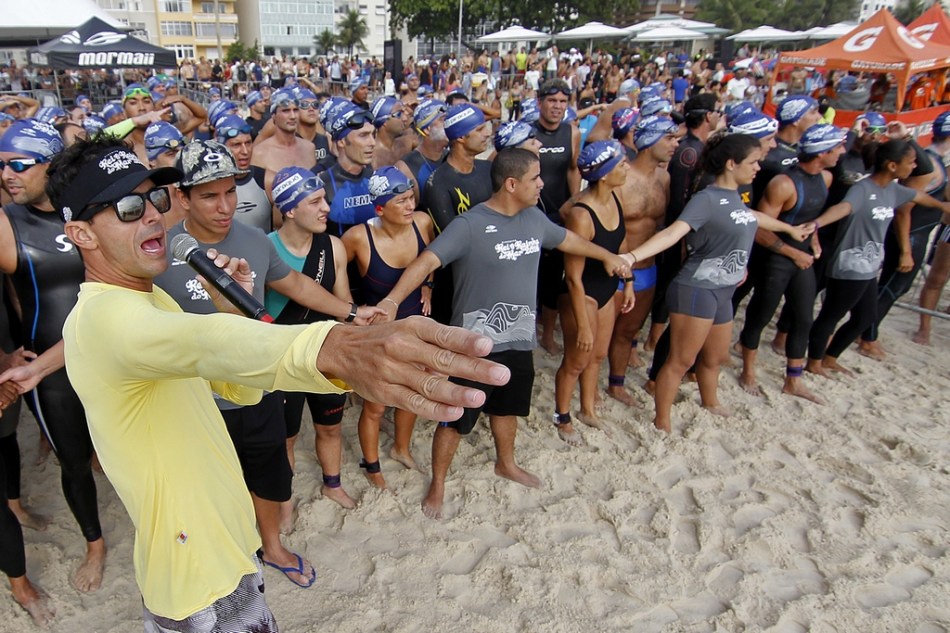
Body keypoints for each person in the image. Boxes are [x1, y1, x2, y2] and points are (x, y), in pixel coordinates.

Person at [46, 133, 509, 630]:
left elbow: (234, 385)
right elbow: (206, 343)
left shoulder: (149, 299)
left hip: (229, 549)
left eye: (156, 198)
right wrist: (340, 347)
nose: (154, 214)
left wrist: (233, 310)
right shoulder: (102, 318)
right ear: (82, 235)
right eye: (130, 207)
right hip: (192, 580)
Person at [376, 148, 631, 519]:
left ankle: (505, 463)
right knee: (457, 419)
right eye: (535, 178)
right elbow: (427, 261)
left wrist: (606, 256)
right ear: (512, 184)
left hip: (519, 339)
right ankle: (439, 483)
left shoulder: (535, 219)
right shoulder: (470, 224)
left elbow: (568, 241)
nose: (542, 183)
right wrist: (392, 301)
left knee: (507, 407)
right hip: (474, 344)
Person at [624, 133, 813, 433]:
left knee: (715, 357)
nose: (758, 168)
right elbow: (673, 234)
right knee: (680, 361)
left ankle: (710, 401)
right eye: (752, 162)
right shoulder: (706, 199)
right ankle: (662, 421)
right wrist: (632, 257)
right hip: (696, 289)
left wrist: (789, 230)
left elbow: (749, 217)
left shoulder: (734, 197)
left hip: (724, 290)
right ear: (730, 163)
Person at [0, 119, 107, 592]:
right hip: (49, 369)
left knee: (129, 444)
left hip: (108, 354)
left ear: (51, 164)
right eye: (2, 165)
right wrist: (4, 354)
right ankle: (95, 545)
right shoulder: (8, 223)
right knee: (73, 461)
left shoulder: (87, 208)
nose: (8, 174)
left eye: (20, 164)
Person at [806, 140, 950, 376]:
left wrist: (944, 207)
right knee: (831, 315)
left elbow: (922, 197)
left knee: (866, 317)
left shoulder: (892, 190)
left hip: (870, 266)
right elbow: (844, 208)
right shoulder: (862, 189)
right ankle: (814, 362)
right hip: (850, 264)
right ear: (892, 165)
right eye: (909, 162)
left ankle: (830, 358)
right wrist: (817, 223)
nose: (914, 167)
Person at [265, 167, 356, 509]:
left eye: (325, 199)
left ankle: (332, 484)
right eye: (315, 201)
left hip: (325, 350)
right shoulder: (264, 249)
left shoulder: (333, 247)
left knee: (330, 426)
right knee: (286, 436)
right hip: (283, 355)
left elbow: (343, 306)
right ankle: (285, 501)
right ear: (289, 209)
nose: (326, 208)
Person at [737, 124, 846, 403]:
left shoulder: (826, 178)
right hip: (777, 258)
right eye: (837, 148)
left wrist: (814, 240)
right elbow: (760, 228)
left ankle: (793, 379)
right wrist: (791, 252)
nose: (842, 153)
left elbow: (811, 217)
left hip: (802, 255)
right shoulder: (783, 184)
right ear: (822, 152)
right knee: (761, 315)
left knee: (803, 317)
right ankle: (748, 371)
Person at [343, 167, 435, 487]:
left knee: (411, 389)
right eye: (401, 201)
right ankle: (372, 465)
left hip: (415, 323)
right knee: (376, 404)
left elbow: (433, 260)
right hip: (378, 331)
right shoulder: (358, 237)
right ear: (380, 208)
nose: (410, 206)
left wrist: (428, 286)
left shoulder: (423, 224)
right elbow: (338, 279)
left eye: (411, 198)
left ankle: (401, 448)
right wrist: (353, 313)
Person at [553, 141, 634, 446]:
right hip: (582, 293)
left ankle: (587, 409)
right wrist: (583, 325)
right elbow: (573, 278)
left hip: (607, 288)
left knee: (598, 355)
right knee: (576, 360)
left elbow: (621, 247)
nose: (627, 168)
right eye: (622, 164)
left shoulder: (615, 198)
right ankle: (562, 416)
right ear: (604, 174)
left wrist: (628, 282)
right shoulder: (581, 215)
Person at [605, 116, 678, 404]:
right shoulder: (621, 180)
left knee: (628, 331)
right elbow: (614, 230)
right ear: (648, 142)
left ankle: (616, 384)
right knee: (601, 336)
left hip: (648, 268)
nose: (675, 144)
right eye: (668, 138)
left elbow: (662, 226)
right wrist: (626, 275)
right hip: (616, 269)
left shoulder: (665, 178)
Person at [533, 79, 582, 355]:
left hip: (559, 213)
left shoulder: (571, 132)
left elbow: (573, 169)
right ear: (540, 102)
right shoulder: (528, 132)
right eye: (552, 101)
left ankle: (548, 333)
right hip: (531, 212)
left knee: (553, 276)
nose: (557, 107)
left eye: (563, 102)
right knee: (530, 273)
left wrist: (574, 203)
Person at [319, 103, 376, 237]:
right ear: (341, 141)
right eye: (363, 135)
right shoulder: (322, 185)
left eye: (373, 135)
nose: (372, 142)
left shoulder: (375, 178)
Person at [215, 114, 277, 233]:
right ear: (221, 148)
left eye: (248, 143)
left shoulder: (267, 181)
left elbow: (281, 230)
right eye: (236, 145)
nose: (245, 151)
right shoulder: (210, 185)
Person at [394, 99, 448, 203]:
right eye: (443, 119)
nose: (449, 123)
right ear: (427, 129)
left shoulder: (452, 156)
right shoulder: (406, 168)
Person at [252, 89, 317, 173]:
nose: (292, 116)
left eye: (295, 110)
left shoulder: (309, 148)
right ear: (273, 116)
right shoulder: (259, 153)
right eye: (286, 111)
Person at [370, 96, 412, 169]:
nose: (405, 119)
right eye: (398, 114)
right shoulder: (371, 156)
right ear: (384, 121)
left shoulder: (406, 143)